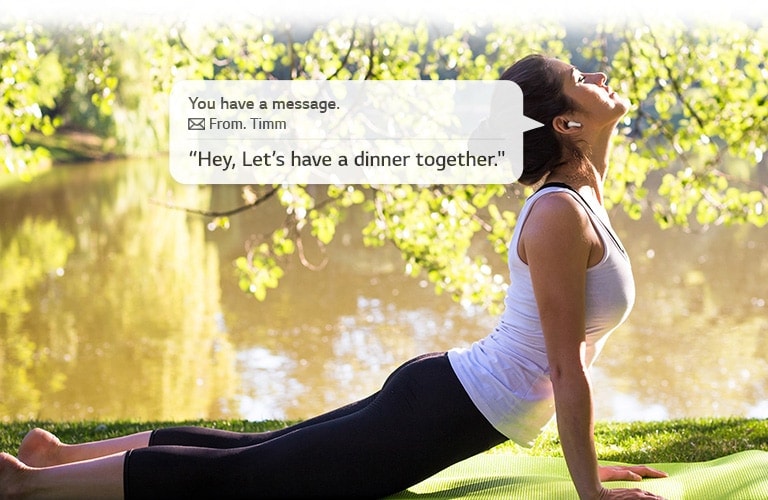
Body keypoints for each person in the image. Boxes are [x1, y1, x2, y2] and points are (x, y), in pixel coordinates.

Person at [0, 54, 668, 500]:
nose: (599, 72)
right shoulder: (557, 214)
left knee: (261, 452)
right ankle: (27, 485)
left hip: (449, 393)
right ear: (565, 122)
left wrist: (589, 467)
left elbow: (586, 150)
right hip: (446, 406)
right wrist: (591, 492)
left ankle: (55, 458)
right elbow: (564, 368)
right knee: (252, 478)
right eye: (580, 74)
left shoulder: (580, 192)